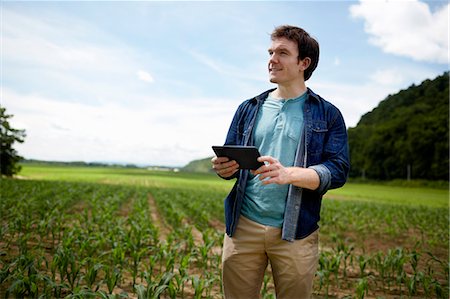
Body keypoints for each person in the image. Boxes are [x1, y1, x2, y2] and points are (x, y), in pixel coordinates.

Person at [211, 25, 350, 299]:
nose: (272, 59)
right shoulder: (248, 108)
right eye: (271, 52)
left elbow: (338, 169)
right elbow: (231, 161)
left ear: (304, 63)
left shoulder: (329, 114)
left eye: (282, 53)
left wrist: (291, 174)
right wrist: (223, 168)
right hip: (243, 227)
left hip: (296, 231)